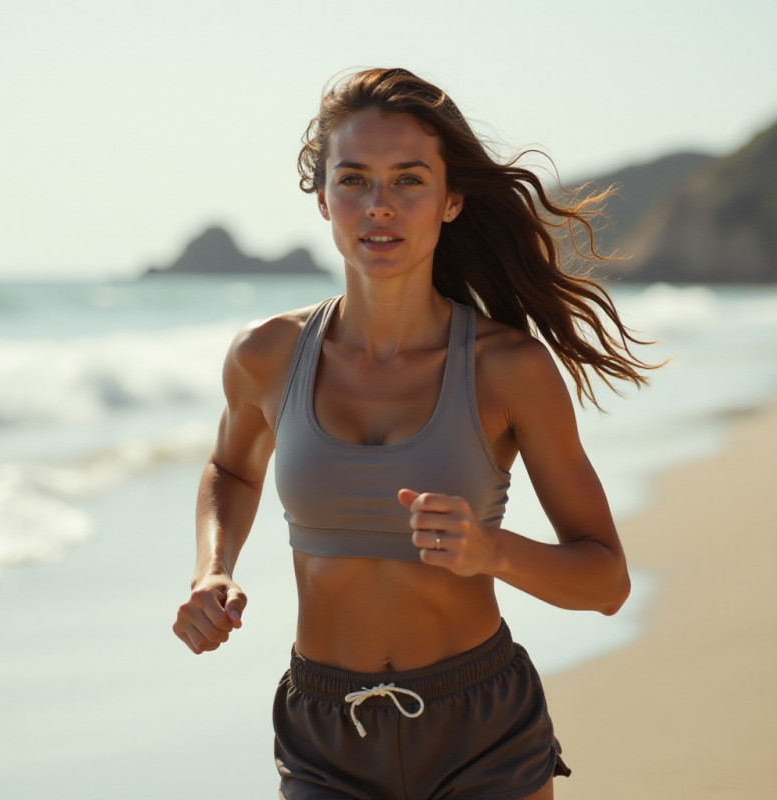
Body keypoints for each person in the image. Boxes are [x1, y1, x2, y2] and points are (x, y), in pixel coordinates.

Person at [173, 67, 654, 800]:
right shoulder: (266, 355)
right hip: (325, 736)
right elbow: (232, 470)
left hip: (482, 730)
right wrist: (214, 568)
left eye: (408, 181)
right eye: (354, 179)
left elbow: (607, 582)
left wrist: (490, 550)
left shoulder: (508, 369)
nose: (379, 207)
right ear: (323, 196)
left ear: (451, 199)